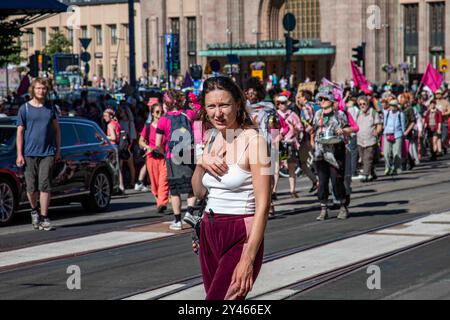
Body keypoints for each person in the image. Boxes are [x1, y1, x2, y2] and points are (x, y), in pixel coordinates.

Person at [192, 76, 271, 300]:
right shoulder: (211, 138)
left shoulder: (255, 142)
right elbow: (199, 192)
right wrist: (201, 162)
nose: (218, 113)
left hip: (239, 232)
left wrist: (248, 259)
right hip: (209, 230)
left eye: (224, 104)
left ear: (238, 103)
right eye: (211, 106)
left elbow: (264, 205)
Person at [16, 78, 61, 231]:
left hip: (47, 152)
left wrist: (58, 150)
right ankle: (34, 210)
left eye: (43, 88)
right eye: (38, 88)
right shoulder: (25, 109)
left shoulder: (50, 108)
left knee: (45, 185)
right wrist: (19, 154)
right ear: (33, 90)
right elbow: (20, 132)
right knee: (31, 187)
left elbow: (57, 131)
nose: (41, 91)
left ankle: (44, 217)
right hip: (29, 153)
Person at [155, 89, 198, 231]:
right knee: (192, 186)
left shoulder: (163, 120)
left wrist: (164, 152)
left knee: (175, 190)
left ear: (166, 103)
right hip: (188, 153)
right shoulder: (189, 114)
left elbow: (157, 144)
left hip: (172, 156)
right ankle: (190, 212)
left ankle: (177, 220)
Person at [311, 87, 353, 221]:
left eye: (324, 99)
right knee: (322, 182)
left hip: (336, 151)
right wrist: (312, 142)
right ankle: (323, 208)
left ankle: (343, 206)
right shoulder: (318, 115)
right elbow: (313, 129)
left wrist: (343, 131)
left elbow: (349, 128)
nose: (322, 101)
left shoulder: (339, 115)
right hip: (320, 152)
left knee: (336, 180)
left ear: (331, 100)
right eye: (320, 99)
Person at [139, 98, 169, 213]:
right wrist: (148, 147)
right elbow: (141, 141)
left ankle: (162, 203)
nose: (159, 114)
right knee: (155, 183)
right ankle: (159, 202)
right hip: (151, 158)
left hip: (163, 157)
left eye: (161, 112)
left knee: (163, 181)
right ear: (152, 113)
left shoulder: (166, 126)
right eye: (157, 112)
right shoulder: (147, 127)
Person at [275, 94, 303, 198]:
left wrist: (295, 127)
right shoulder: (274, 115)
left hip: (289, 143)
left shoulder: (292, 114)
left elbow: (300, 127)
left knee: (291, 167)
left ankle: (292, 190)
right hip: (278, 144)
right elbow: (271, 129)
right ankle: (274, 191)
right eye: (280, 103)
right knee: (276, 168)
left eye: (284, 102)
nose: (282, 105)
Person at [294, 89, 318, 193]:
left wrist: (308, 136)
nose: (298, 99)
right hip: (317, 137)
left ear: (304, 97)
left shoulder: (306, 107)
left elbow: (310, 125)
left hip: (309, 138)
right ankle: (318, 182)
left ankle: (316, 182)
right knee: (317, 161)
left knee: (303, 163)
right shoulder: (314, 104)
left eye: (299, 97)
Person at [355, 96, 383, 182]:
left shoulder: (373, 112)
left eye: (364, 104)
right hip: (360, 140)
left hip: (370, 140)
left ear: (368, 104)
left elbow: (379, 124)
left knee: (368, 158)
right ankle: (372, 173)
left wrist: (377, 131)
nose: (362, 105)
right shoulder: (358, 113)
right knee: (363, 159)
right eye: (360, 104)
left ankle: (365, 174)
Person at [103, 108, 126, 193]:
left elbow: (113, 137)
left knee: (114, 168)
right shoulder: (117, 123)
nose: (104, 117)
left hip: (112, 147)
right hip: (118, 147)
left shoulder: (110, 125)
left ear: (111, 116)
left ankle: (117, 187)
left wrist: (104, 137)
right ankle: (121, 186)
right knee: (119, 168)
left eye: (106, 116)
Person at [383, 100, 406, 176]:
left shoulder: (400, 114)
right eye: (390, 105)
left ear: (397, 106)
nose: (392, 107)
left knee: (396, 153)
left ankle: (396, 168)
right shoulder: (387, 113)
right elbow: (384, 124)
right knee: (386, 152)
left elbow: (403, 125)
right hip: (388, 133)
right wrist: (384, 132)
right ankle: (388, 167)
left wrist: (403, 134)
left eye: (393, 105)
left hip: (397, 134)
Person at [435, 89, 450, 154]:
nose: (437, 95)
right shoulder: (434, 102)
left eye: (439, 93)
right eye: (436, 94)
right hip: (436, 123)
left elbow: (449, 111)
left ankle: (444, 146)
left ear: (441, 94)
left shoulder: (446, 102)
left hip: (444, 122)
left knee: (443, 137)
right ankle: (438, 151)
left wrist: (443, 114)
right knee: (437, 137)